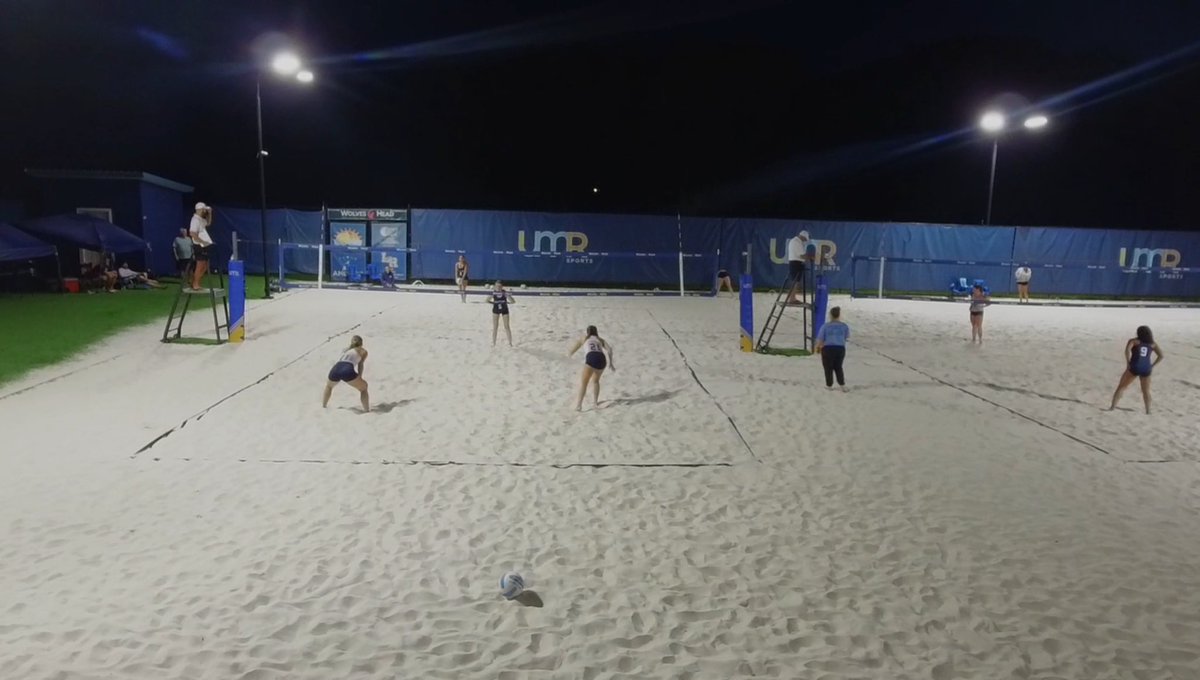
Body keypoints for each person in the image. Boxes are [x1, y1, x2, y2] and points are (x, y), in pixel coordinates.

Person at [1109, 326, 1163, 415]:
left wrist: (1128, 362)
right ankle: (1148, 411)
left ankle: (1112, 407)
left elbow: (1127, 351)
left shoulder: (1134, 341)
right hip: (1146, 368)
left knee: (1121, 387)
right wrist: (1152, 366)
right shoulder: (1152, 344)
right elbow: (1161, 356)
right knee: (1146, 391)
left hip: (1135, 366)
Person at [567, 325, 615, 411]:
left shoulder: (584, 338)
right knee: (596, 381)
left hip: (591, 357)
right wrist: (611, 363)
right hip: (602, 359)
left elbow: (575, 347)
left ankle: (579, 405)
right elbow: (610, 350)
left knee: (584, 383)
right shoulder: (600, 340)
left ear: (587, 332)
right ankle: (595, 403)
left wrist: (570, 354)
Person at [323, 335, 370, 412]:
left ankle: (324, 406)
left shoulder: (346, 350)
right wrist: (360, 376)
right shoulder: (362, 351)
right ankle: (367, 410)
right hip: (347, 368)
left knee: (329, 386)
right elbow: (360, 364)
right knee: (364, 388)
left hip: (336, 368)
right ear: (361, 343)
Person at [814, 306, 850, 391]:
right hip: (840, 348)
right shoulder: (844, 326)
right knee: (838, 367)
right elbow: (846, 337)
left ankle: (829, 385)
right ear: (839, 315)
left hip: (828, 348)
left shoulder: (825, 326)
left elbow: (820, 339)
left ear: (830, 315)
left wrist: (817, 347)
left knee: (828, 367)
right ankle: (842, 384)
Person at [189, 202, 214, 291]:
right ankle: (195, 284)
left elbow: (208, 223)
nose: (205, 211)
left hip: (204, 245)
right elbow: (192, 233)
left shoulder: (201, 219)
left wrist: (210, 213)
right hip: (199, 245)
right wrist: (202, 242)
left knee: (205, 265)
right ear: (199, 210)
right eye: (203, 209)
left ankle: (197, 282)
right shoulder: (195, 220)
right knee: (200, 265)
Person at [785, 229, 811, 305]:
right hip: (795, 263)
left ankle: (792, 298)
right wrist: (810, 257)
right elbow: (802, 255)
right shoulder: (796, 242)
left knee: (795, 281)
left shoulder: (796, 241)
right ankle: (792, 299)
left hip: (796, 262)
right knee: (795, 282)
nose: (805, 241)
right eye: (805, 239)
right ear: (803, 236)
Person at [490, 280, 514, 346]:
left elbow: (513, 301)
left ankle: (510, 343)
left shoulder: (504, 293)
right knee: (495, 327)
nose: (498, 287)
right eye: (497, 286)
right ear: (495, 286)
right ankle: (494, 343)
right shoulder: (494, 293)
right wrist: (493, 303)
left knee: (506, 326)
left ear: (502, 287)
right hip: (496, 309)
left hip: (504, 310)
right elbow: (487, 300)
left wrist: (508, 297)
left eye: (499, 286)